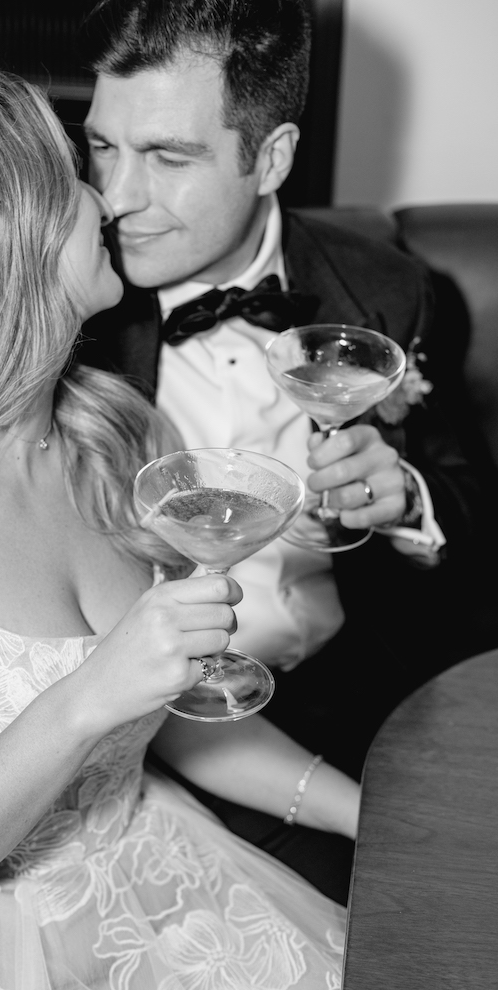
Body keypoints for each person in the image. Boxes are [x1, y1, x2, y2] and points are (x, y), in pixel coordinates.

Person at [0, 66, 357, 988]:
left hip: (151, 874)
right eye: (79, 171)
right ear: (4, 231)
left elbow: (165, 721)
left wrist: (369, 814)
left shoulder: (113, 435)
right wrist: (88, 697)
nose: (109, 197)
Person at [76, 0, 495, 898]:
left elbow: (473, 508)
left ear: (272, 157)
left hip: (357, 701)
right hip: (150, 741)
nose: (115, 198)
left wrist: (407, 499)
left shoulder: (388, 290)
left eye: (169, 157)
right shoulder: (70, 307)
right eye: (104, 147)